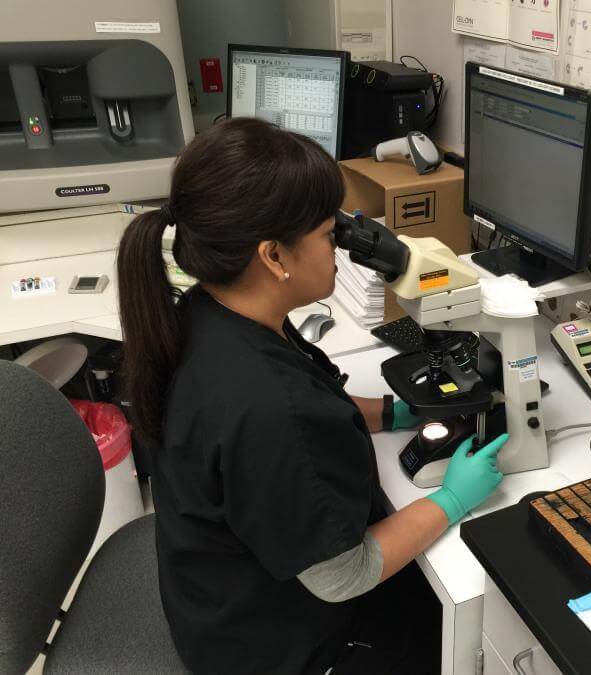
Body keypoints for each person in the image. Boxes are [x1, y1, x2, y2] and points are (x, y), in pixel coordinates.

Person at [116, 118, 508, 674]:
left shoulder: (212, 313)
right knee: (465, 628)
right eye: (330, 234)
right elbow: (342, 575)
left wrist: (397, 411)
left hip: (216, 593)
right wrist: (452, 501)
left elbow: (301, 400)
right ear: (274, 257)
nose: (342, 246)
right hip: (280, 646)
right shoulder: (268, 407)